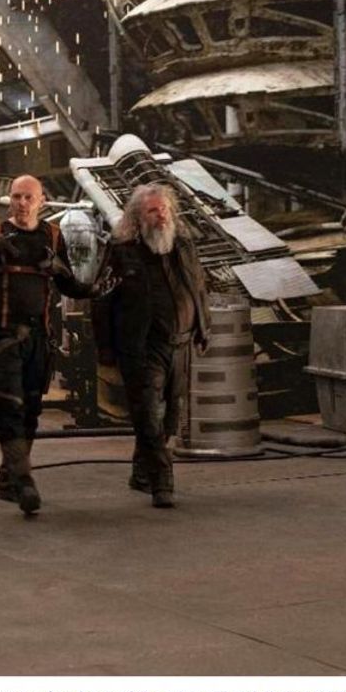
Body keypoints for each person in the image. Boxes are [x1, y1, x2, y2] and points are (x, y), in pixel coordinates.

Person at [0, 175, 92, 515]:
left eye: (28, 197)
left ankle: (9, 481)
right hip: (3, 340)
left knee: (31, 411)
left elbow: (68, 285)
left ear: (41, 202)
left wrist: (91, 287)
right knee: (10, 409)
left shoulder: (53, 237)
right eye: (16, 196)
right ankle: (23, 483)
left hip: (39, 342)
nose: (21, 203)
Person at [91, 182, 211, 509]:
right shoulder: (122, 251)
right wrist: (105, 350)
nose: (161, 216)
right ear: (138, 217)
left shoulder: (183, 245)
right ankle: (162, 481)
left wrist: (203, 327)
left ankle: (141, 473)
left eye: (164, 209)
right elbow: (101, 301)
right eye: (152, 211)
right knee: (147, 415)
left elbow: (198, 286)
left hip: (180, 345)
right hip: (141, 348)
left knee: (171, 417)